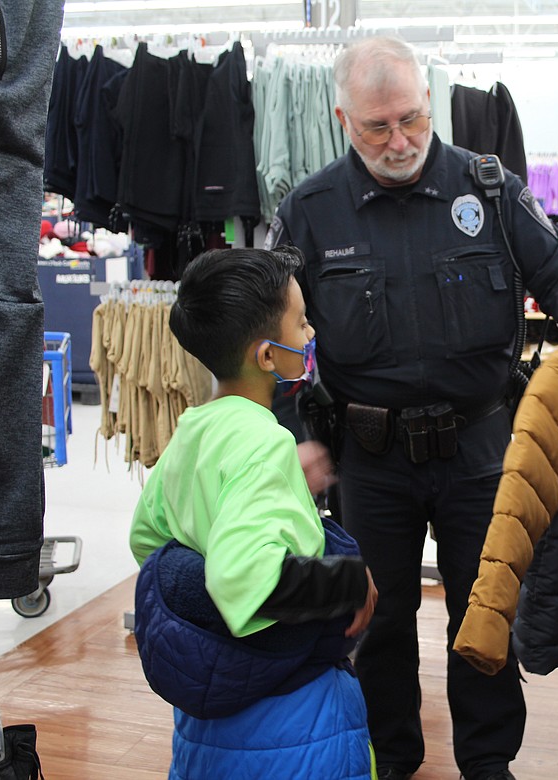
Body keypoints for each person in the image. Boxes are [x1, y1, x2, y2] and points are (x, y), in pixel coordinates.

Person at [266, 35, 558, 780]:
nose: (400, 141)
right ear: (341, 119)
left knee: (486, 613)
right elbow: (271, 340)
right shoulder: (309, 212)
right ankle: (394, 758)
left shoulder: (488, 190)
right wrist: (293, 433)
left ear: (431, 104)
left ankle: (488, 764)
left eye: (413, 119)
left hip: (481, 450)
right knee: (375, 619)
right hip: (370, 460)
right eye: (377, 126)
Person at [128, 246, 378, 779]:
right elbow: (247, 576)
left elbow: (148, 541)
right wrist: (348, 582)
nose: (310, 335)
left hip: (207, 729)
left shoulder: (193, 430)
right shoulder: (265, 442)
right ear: (267, 356)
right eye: (301, 322)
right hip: (292, 730)